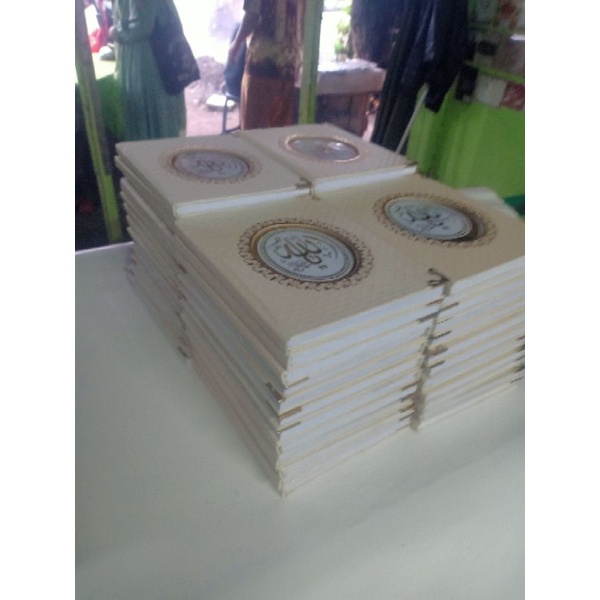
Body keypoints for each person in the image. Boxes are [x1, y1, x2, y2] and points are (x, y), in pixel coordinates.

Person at [112, 0, 186, 141]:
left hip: (146, 60)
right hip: (147, 56)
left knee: (151, 115)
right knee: (155, 115)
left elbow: (142, 26)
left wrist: (117, 31)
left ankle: (154, 150)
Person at [227, 0, 304, 130]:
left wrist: (236, 44)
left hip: (262, 62)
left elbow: (252, 16)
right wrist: (300, 59)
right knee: (280, 128)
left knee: (254, 127)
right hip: (289, 64)